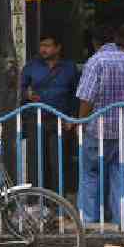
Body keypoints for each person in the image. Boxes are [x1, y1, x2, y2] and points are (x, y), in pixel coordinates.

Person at [75, 23, 124, 231]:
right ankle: (120, 222)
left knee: (90, 174)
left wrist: (81, 121)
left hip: (98, 129)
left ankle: (87, 222)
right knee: (121, 174)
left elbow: (86, 97)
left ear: (94, 43)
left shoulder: (95, 62)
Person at [16, 33, 79, 191]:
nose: (44, 49)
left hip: (60, 121)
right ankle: (36, 200)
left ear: (58, 48)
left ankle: (58, 203)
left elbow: (76, 95)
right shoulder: (32, 66)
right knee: (36, 161)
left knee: (59, 162)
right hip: (36, 120)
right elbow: (19, 89)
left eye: (48, 46)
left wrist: (72, 118)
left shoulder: (69, 67)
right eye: (42, 45)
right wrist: (27, 94)